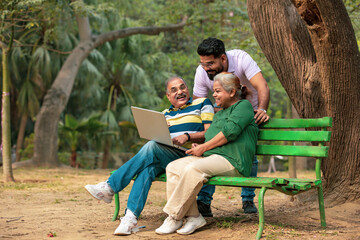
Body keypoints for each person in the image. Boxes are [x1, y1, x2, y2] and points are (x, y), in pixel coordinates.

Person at [85, 76, 214, 236]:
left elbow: (210, 133)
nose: (180, 92)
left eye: (183, 87)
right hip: (169, 155)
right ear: (168, 96)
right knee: (148, 168)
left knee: (152, 147)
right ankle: (130, 219)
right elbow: (159, 138)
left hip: (191, 155)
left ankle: (110, 187)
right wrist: (163, 131)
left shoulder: (201, 103)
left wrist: (187, 136)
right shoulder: (165, 114)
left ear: (188, 89)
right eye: (174, 90)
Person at [156, 72, 258, 235]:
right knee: (173, 167)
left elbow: (229, 133)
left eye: (218, 91)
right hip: (214, 158)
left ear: (232, 92)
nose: (214, 95)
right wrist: (202, 146)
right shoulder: (220, 113)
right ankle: (194, 216)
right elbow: (211, 137)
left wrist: (203, 148)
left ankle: (174, 216)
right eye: (214, 91)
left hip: (234, 161)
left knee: (192, 169)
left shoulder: (243, 106)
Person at [194, 37, 270, 215]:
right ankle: (204, 201)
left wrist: (262, 109)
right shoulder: (201, 71)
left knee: (247, 151)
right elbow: (199, 101)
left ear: (223, 58)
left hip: (247, 110)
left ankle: (247, 199)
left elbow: (262, 86)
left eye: (210, 63)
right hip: (220, 113)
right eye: (203, 64)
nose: (206, 68)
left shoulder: (241, 59)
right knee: (212, 152)